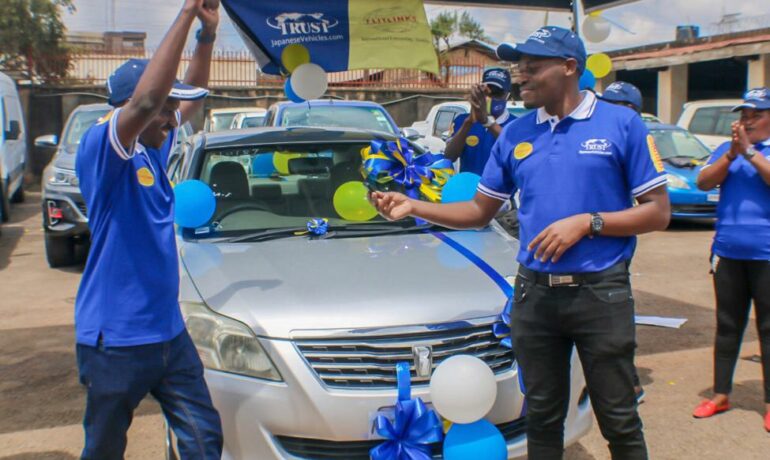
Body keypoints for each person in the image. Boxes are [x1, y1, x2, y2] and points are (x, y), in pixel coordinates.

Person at [370, 26, 670, 459]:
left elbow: (657, 211)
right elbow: (477, 210)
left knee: (619, 418)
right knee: (543, 418)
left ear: (569, 67)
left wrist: (589, 222)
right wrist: (414, 206)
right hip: (535, 298)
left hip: (600, 295)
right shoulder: (515, 134)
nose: (520, 77)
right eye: (518, 68)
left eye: (531, 67)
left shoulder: (621, 124)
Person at [74, 1, 223, 458]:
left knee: (203, 440)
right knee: (104, 448)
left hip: (167, 335)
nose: (172, 117)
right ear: (131, 109)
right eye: (165, 108)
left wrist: (207, 33)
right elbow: (146, 102)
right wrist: (184, 14)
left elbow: (192, 95)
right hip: (115, 341)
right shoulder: (104, 147)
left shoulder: (154, 145)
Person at [693, 87, 770, 432]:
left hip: (766, 254)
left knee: (767, 328)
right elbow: (702, 181)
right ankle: (721, 394)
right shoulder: (726, 150)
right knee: (727, 326)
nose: (747, 120)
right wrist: (732, 155)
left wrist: (750, 153)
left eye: (755, 114)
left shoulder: (760, 152)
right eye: (743, 114)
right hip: (728, 252)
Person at [599, 80, 647, 403]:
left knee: (616, 317)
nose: (613, 112)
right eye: (608, 104)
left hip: (615, 240)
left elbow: (653, 206)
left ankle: (629, 383)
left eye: (621, 106)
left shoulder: (635, 139)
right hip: (591, 240)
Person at [444, 67, 519, 236]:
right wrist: (469, 122)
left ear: (508, 95)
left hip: (503, 210)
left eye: (498, 93)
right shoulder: (462, 121)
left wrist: (487, 122)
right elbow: (449, 156)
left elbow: (515, 152)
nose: (491, 98)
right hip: (466, 203)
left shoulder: (516, 125)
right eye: (488, 92)